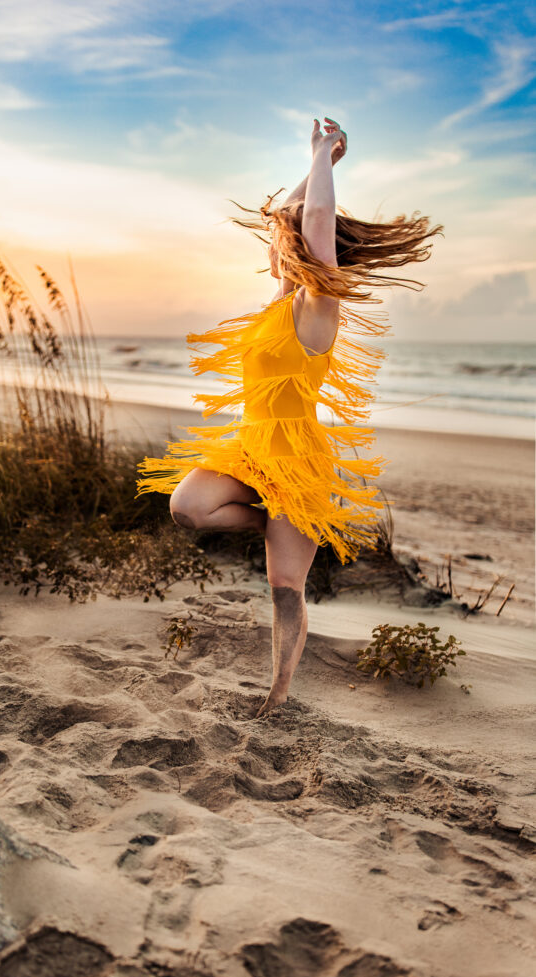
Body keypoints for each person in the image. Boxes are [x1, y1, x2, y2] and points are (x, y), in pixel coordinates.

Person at [135, 116, 443, 717]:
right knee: (187, 508)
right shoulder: (278, 305)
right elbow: (289, 212)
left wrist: (327, 156)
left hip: (296, 462)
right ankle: (279, 525)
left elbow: (316, 221)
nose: (276, 244)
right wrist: (312, 159)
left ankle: (276, 697)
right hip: (251, 449)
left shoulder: (317, 307)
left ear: (306, 250)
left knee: (283, 590)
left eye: (287, 239)